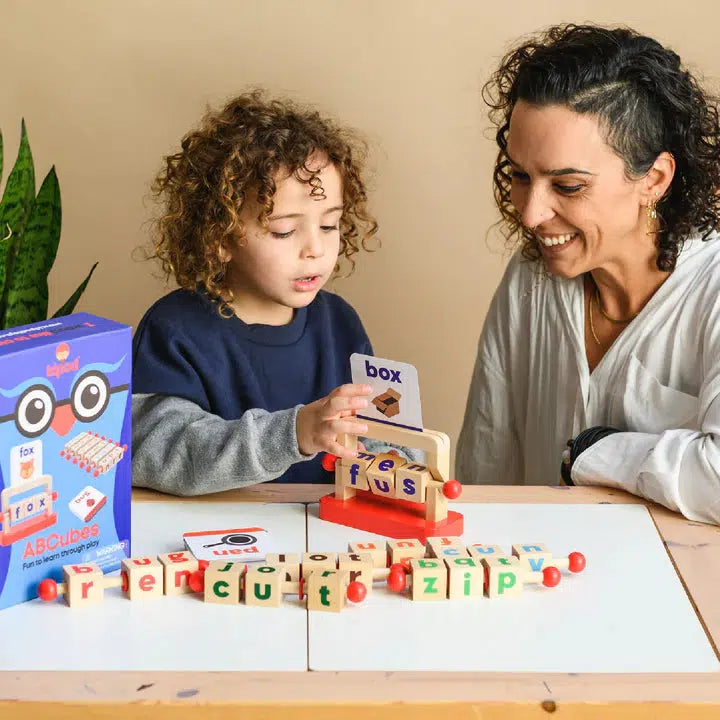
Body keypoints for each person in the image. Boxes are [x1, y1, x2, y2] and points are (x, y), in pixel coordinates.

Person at [456, 24, 720, 524]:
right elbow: (487, 457)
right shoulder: (531, 277)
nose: (530, 215)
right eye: (519, 176)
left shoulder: (713, 292)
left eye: (569, 185)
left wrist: (594, 451)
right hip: (534, 583)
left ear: (654, 180)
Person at [132, 90, 416, 495]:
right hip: (214, 538)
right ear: (220, 236)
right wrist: (294, 433)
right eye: (284, 230)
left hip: (322, 536)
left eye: (330, 225)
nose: (315, 249)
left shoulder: (339, 322)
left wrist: (398, 458)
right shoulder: (175, 330)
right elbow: (161, 452)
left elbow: (377, 429)